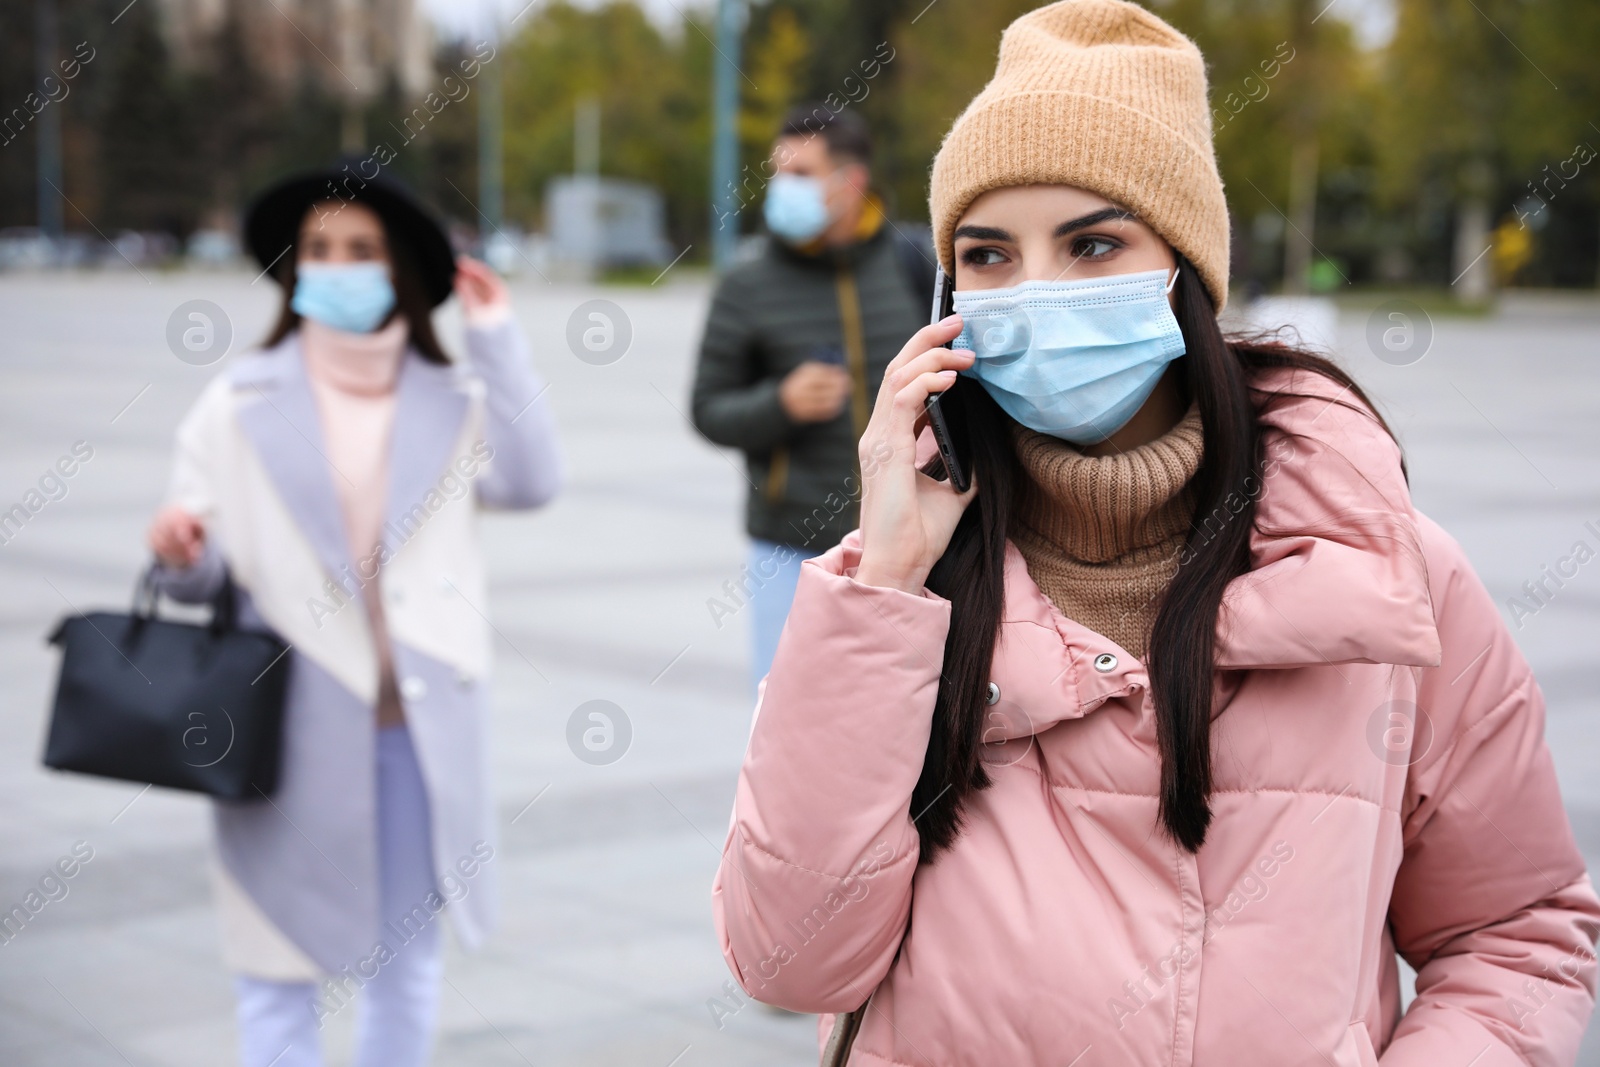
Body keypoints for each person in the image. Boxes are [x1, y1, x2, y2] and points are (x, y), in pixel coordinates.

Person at [711, 3, 1600, 1065]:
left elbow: (1514, 930)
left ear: (1182, 269)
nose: (1034, 289)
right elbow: (787, 963)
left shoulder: (1386, 578)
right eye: (988, 256)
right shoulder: (903, 585)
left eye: (1092, 242)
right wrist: (885, 583)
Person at [146, 167, 562, 1067]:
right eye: (321, 250)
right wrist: (182, 553)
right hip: (282, 724)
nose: (336, 268)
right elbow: (197, 567)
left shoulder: (451, 399)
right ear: (293, 271)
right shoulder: (239, 399)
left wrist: (493, 337)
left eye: (360, 251)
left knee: (406, 965)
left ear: (399, 271)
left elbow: (531, 480)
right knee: (275, 969)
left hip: (418, 724)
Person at [691, 104, 929, 697]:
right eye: (779, 172)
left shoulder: (914, 264)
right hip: (790, 546)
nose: (781, 188)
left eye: (800, 174)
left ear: (850, 184)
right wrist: (780, 404)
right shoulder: (747, 280)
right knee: (788, 723)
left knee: (907, 724)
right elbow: (707, 408)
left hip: (913, 542)